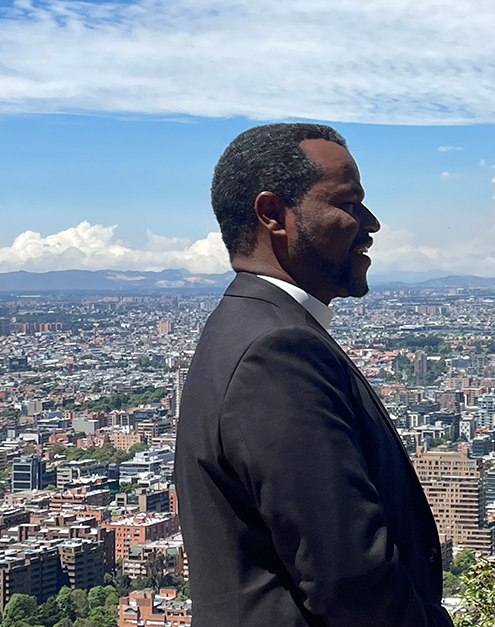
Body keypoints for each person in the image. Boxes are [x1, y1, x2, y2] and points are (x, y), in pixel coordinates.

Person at [176, 123, 452, 626]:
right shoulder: (276, 351)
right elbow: (353, 584)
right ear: (273, 215)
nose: (371, 223)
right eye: (348, 204)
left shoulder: (245, 327)